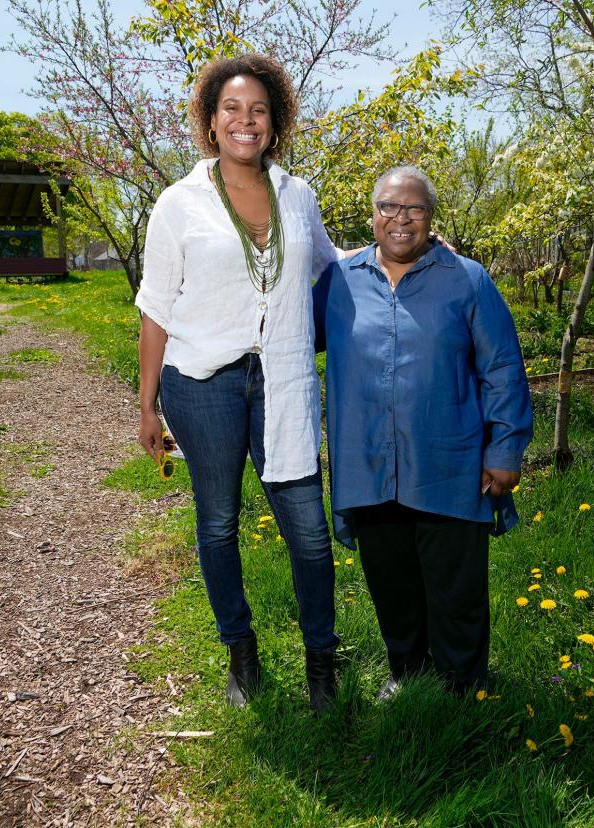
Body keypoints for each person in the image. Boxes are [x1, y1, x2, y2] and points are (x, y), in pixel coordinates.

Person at [135, 54, 344, 713]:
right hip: (201, 384)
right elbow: (156, 307)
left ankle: (321, 661)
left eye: (257, 110)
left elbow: (335, 271)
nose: (244, 120)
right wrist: (146, 407)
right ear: (210, 119)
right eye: (231, 109)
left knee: (307, 528)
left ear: (274, 121)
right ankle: (241, 654)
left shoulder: (298, 196)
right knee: (218, 520)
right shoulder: (179, 204)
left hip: (282, 381)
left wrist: (414, 245)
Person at [313, 166, 533, 697]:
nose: (400, 218)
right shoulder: (339, 283)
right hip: (368, 464)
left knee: (455, 587)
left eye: (414, 209)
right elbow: (286, 334)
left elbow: (502, 367)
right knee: (392, 584)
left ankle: (462, 685)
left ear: (431, 218)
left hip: (448, 463)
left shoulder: (468, 279)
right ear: (372, 215)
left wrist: (504, 449)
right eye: (389, 207)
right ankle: (407, 675)